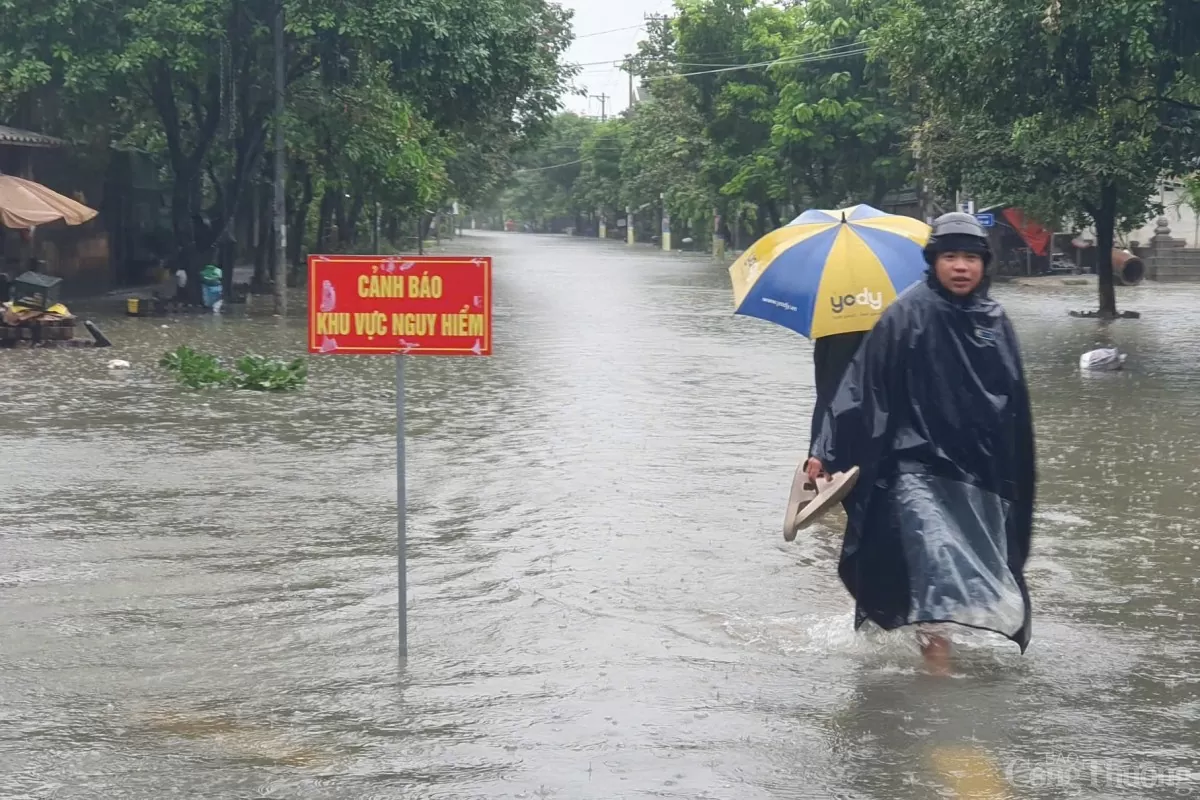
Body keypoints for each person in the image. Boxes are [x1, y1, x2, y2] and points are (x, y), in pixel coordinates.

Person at [806, 212, 1037, 673]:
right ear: (933, 261)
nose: (960, 266)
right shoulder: (906, 315)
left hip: (975, 471)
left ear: (983, 264)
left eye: (970, 257)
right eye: (950, 256)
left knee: (966, 562)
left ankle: (925, 641)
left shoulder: (994, 319)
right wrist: (825, 449)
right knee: (934, 556)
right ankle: (938, 674)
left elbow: (1012, 405)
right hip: (913, 467)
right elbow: (861, 387)